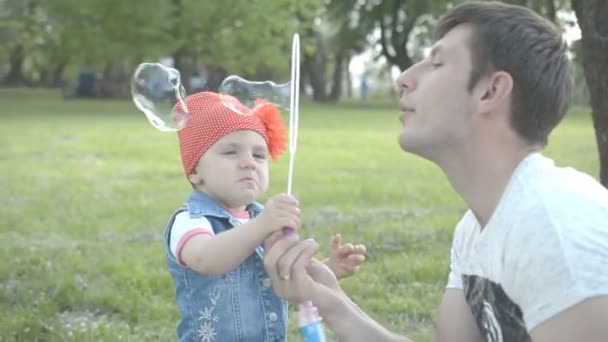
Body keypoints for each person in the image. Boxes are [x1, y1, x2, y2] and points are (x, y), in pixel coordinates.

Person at [263, 2, 608, 342]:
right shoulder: (476, 230)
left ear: (491, 91)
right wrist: (331, 302)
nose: (404, 78)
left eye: (437, 63)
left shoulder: (558, 230)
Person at [162, 91, 367, 341]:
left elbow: (281, 278)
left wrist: (327, 270)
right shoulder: (191, 220)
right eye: (230, 152)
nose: (249, 163)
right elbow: (207, 259)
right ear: (195, 171)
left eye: (259, 155)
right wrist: (262, 225)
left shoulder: (262, 218)